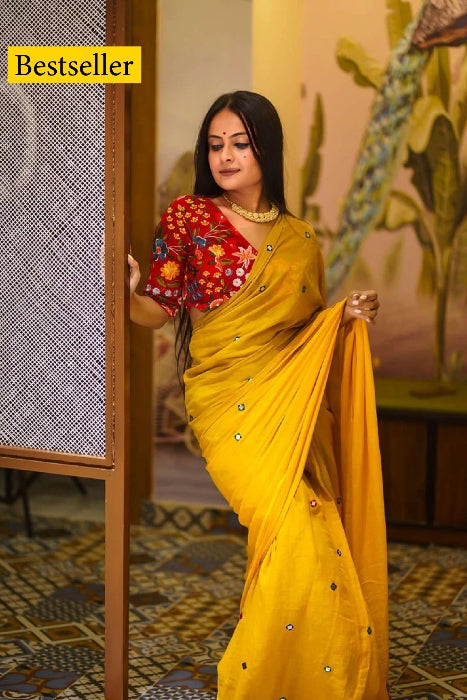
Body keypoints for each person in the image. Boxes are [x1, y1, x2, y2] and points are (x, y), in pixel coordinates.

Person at [129, 91, 389, 700]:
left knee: (307, 529)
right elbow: (156, 312)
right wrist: (127, 290)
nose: (225, 157)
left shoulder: (300, 239)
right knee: (293, 528)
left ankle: (301, 680)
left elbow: (305, 332)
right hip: (226, 405)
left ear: (266, 149)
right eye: (215, 145)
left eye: (240, 144)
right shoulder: (189, 218)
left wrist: (344, 316)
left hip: (286, 406)